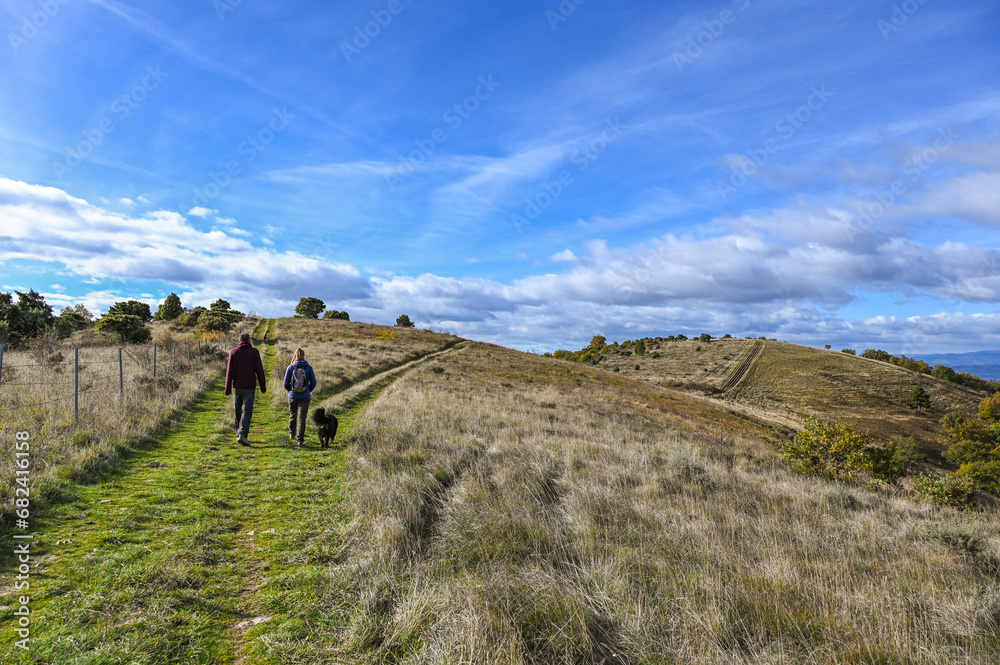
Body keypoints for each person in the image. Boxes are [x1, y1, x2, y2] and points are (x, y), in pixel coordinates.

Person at [224, 332, 267, 446]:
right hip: (249, 386)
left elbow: (229, 371)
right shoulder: (254, 352)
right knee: (247, 411)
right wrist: (263, 386)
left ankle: (239, 434)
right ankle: (242, 434)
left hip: (237, 386)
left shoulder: (234, 352)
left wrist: (227, 388)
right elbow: (259, 370)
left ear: (239, 340)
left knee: (238, 410)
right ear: (249, 340)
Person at [283, 347, 317, 446]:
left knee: (292, 415)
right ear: (303, 356)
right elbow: (313, 383)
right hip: (305, 396)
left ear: (295, 355)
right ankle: (300, 440)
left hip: (293, 396)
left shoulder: (290, 367)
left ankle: (291, 434)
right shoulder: (308, 367)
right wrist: (307, 390)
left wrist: (291, 390)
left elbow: (285, 383)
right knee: (302, 418)